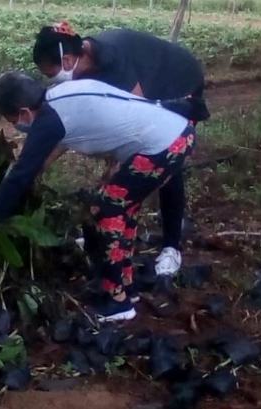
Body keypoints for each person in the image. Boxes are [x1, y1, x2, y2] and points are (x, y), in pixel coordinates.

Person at [0, 71, 197, 322]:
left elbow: (21, 173)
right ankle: (126, 289)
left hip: (164, 145)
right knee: (122, 209)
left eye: (10, 120)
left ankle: (118, 303)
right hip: (176, 134)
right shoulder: (59, 96)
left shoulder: (48, 120)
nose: (13, 126)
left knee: (107, 209)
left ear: (23, 113)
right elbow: (39, 159)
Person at [31, 21, 209, 278]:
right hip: (146, 84)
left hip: (177, 80)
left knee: (164, 158)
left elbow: (135, 127)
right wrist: (37, 166)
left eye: (50, 74)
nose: (51, 81)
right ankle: (117, 238)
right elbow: (63, 127)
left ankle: (171, 248)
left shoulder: (113, 63)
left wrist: (114, 169)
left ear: (67, 60)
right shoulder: (80, 70)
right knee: (124, 181)